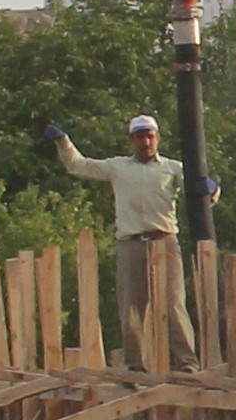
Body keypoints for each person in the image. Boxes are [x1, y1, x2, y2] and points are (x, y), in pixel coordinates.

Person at [50, 112, 191, 354]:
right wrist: (63, 142)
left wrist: (212, 189)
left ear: (157, 138)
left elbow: (200, 191)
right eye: (139, 137)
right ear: (131, 140)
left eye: (149, 136)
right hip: (132, 244)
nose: (145, 142)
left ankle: (187, 362)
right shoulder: (118, 167)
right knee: (131, 307)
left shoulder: (173, 168)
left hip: (164, 241)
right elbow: (78, 165)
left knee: (174, 303)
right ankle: (135, 365)